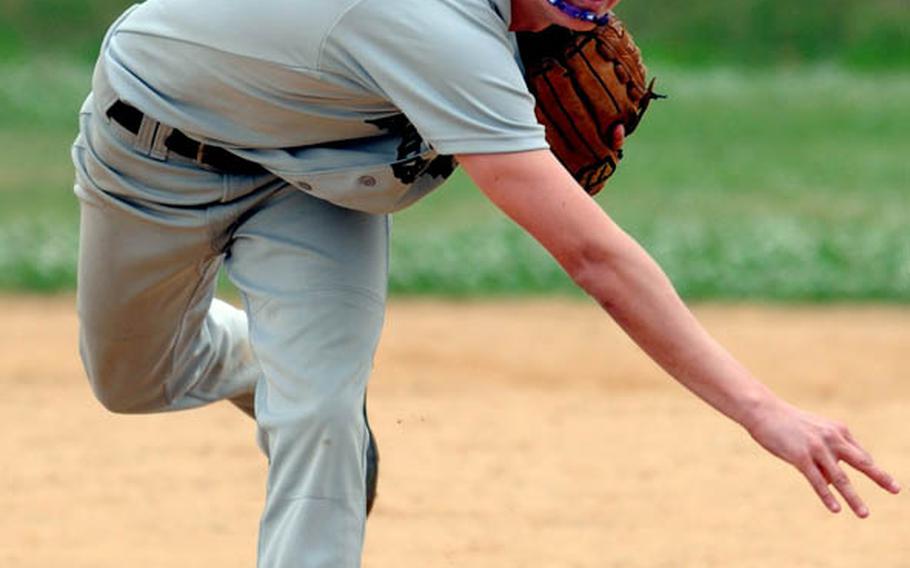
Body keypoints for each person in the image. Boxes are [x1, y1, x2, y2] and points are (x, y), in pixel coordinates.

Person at [71, 0, 900, 566]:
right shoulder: (437, 32)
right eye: (576, 6)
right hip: (156, 156)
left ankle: (299, 390)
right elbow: (595, 259)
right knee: (134, 382)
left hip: (321, 181)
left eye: (602, 7)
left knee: (321, 413)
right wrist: (766, 410)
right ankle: (255, 360)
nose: (594, 26)